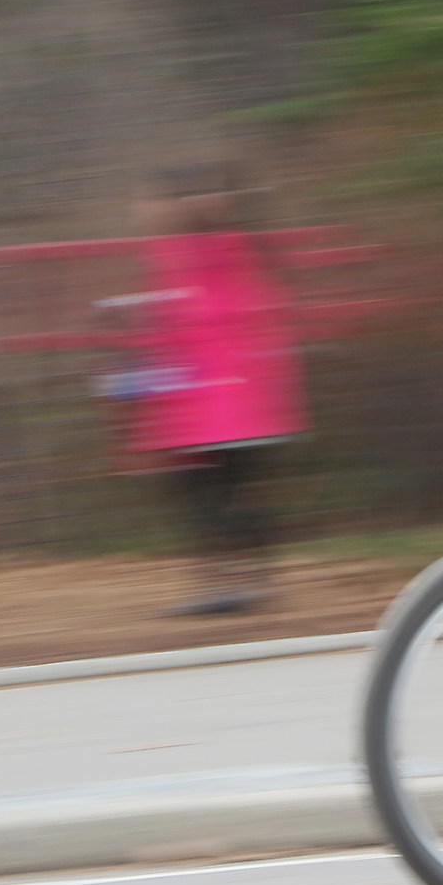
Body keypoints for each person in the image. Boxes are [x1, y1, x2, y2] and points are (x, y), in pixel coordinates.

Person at [112, 166, 307, 617]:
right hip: (203, 405)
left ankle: (240, 583)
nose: (144, 212)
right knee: (208, 492)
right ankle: (238, 582)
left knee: (220, 491)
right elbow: (172, 326)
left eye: (153, 202)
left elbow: (202, 322)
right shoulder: (172, 256)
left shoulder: (223, 250)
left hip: (227, 403)